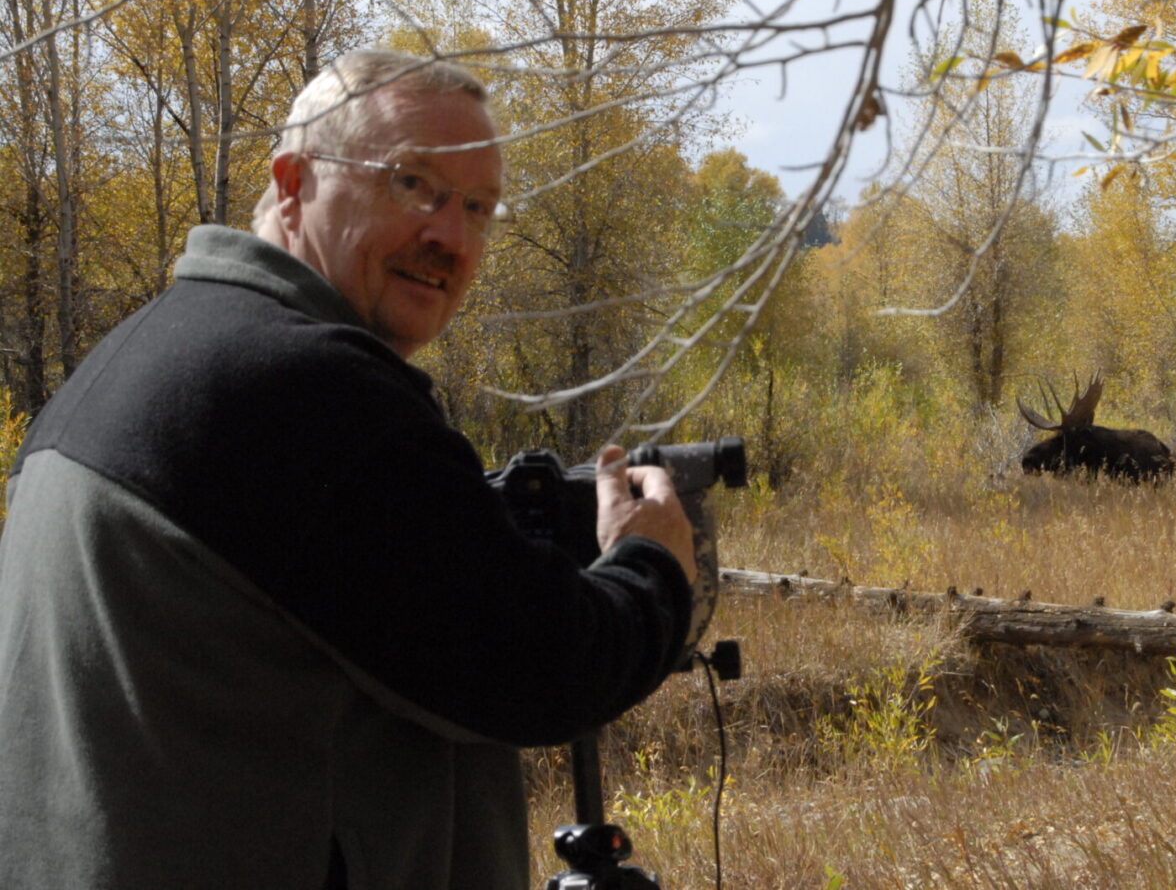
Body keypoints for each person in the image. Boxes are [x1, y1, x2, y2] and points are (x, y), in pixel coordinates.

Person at [0, 49, 697, 890]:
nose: (450, 236)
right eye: (411, 184)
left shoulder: (127, 365)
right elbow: (547, 670)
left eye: (479, 208)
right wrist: (650, 561)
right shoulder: (309, 391)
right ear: (292, 182)